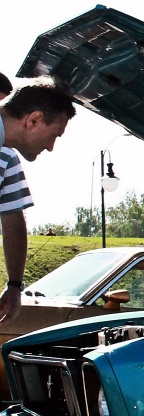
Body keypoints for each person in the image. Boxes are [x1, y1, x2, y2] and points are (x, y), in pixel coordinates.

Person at [0, 78, 75, 323]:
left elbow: (13, 219)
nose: (51, 147)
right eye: (54, 135)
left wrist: (14, 284)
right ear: (33, 120)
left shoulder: (6, 156)